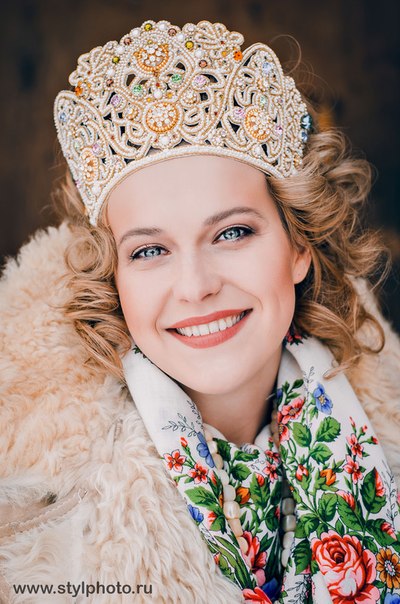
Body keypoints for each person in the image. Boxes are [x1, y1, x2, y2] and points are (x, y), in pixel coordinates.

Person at [0, 18, 399, 604]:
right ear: (114, 278)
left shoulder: (388, 435)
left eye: (232, 233)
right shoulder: (36, 526)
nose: (195, 287)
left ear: (299, 247)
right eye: (150, 250)